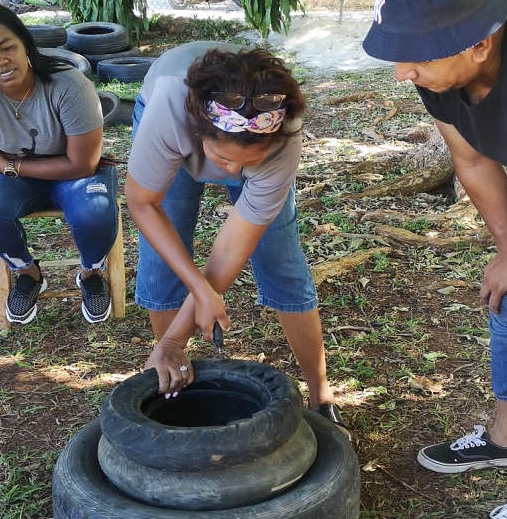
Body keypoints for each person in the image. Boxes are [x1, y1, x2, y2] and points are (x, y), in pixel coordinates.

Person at [362, 0, 507, 519]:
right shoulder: (439, 68)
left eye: (412, 56)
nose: (400, 73)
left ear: (480, 42)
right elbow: (471, 159)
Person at [125, 41, 349, 436]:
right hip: (170, 122)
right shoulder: (172, 112)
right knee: (162, 264)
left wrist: (207, 291)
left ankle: (321, 394)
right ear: (199, 133)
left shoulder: (282, 139)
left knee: (282, 262)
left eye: (248, 164)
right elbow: (143, 203)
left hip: (247, 147)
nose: (234, 174)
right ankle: (172, 373)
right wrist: (193, 300)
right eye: (224, 160)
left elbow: (231, 246)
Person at [0, 3, 118, 325]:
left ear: (25, 42)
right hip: (15, 177)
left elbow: (83, 165)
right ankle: (28, 272)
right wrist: (4, 168)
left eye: (6, 47)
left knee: (95, 210)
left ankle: (90, 273)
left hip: (70, 174)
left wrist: (10, 167)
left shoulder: (69, 84)